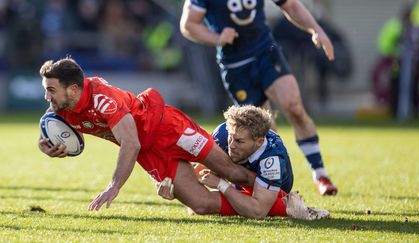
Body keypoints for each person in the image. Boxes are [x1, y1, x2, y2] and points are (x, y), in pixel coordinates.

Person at [37, 57, 257, 214]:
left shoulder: (103, 100)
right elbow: (49, 128)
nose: (47, 96)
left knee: (231, 172)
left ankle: (277, 196)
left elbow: (130, 143)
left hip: (169, 129)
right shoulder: (61, 107)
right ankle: (260, 206)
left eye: (51, 90)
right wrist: (45, 147)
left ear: (73, 89)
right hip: (149, 152)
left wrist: (114, 186)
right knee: (201, 205)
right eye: (46, 89)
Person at [180, 0, 337, 195]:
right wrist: (216, 37)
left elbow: (290, 5)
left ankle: (320, 174)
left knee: (294, 106)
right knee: (263, 130)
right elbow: (188, 25)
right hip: (235, 65)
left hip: (265, 52)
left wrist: (316, 30)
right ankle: (275, 189)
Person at [158, 105, 329, 220]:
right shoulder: (223, 134)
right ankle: (288, 209)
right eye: (231, 138)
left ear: (259, 142)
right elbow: (197, 170)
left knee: (207, 203)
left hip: (272, 190)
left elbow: (258, 211)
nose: (231, 145)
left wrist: (221, 185)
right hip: (237, 182)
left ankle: (286, 206)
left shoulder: (272, 158)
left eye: (239, 141)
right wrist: (175, 189)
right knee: (197, 205)